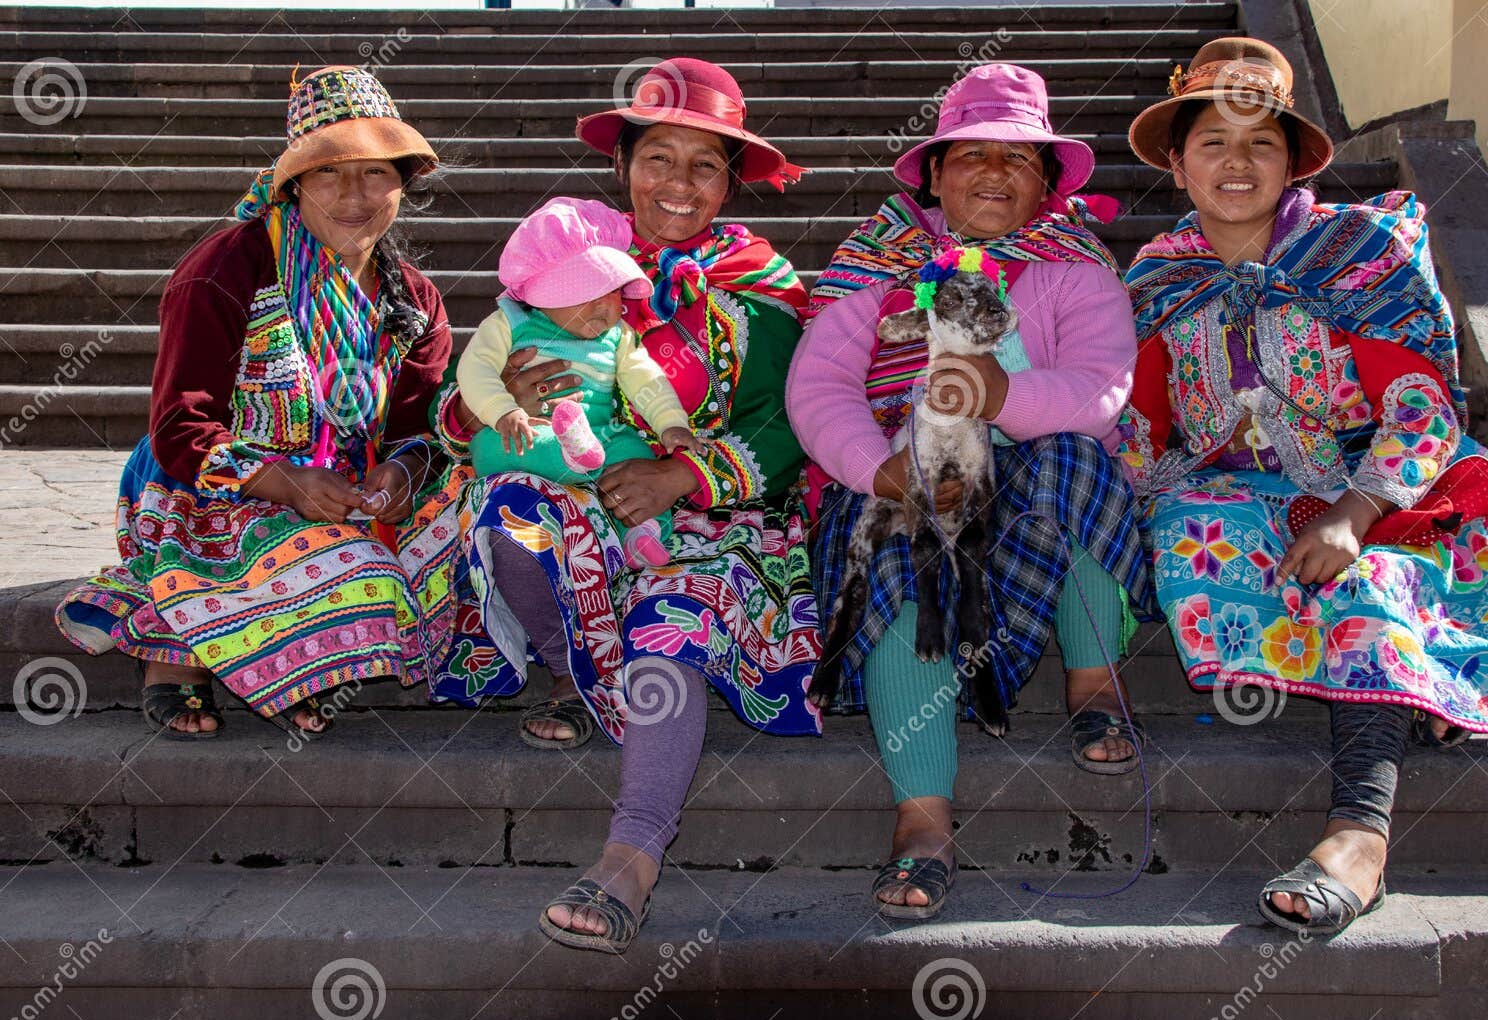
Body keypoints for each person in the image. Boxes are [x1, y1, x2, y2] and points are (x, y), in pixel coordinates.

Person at [1119, 38, 1488, 935]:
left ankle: (1359, 835)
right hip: (1237, 491)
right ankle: (1419, 692)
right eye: (1213, 142)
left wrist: (1355, 512)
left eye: (1260, 142)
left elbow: (1421, 406)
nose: (1237, 161)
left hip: (1386, 482)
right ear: (1177, 164)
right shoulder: (1159, 277)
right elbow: (1141, 424)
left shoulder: (1356, 253)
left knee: (1365, 576)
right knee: (1183, 530)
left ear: (1294, 160)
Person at [430, 59, 815, 953]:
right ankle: (572, 668)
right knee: (513, 512)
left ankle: (629, 861)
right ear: (622, 166)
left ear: (731, 180)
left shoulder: (761, 286)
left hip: (715, 515)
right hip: (576, 493)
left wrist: (682, 478)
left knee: (673, 613)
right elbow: (459, 405)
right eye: (657, 159)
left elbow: (791, 425)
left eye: (705, 165)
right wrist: (501, 398)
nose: (679, 184)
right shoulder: (559, 262)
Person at [791, 63, 1150, 919]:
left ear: (1047, 182)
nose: (993, 171)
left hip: (1025, 476)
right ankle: (923, 818)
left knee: (1078, 461)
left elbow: (1101, 385)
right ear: (934, 174)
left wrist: (1000, 394)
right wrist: (878, 468)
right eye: (970, 155)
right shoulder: (879, 260)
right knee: (892, 545)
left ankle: (1095, 686)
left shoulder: (1075, 265)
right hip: (899, 468)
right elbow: (819, 385)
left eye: (1017, 157)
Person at [55, 66, 458, 740]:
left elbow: (419, 428)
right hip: (214, 485)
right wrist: (285, 481)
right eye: (329, 173)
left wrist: (401, 472)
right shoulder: (225, 269)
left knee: (464, 540)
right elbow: (180, 426)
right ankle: (182, 653)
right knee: (361, 572)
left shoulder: (413, 299)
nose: (354, 195)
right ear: (293, 182)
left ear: (402, 181)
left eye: (375, 172)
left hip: (345, 494)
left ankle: (288, 658)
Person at [459, 195, 704, 568]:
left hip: (599, 436)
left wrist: (670, 423)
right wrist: (502, 410)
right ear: (543, 291)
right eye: (586, 292)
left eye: (613, 291)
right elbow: (473, 369)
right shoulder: (511, 322)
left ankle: (643, 532)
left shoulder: (618, 335)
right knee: (492, 448)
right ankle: (569, 458)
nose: (604, 306)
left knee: (634, 454)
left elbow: (646, 380)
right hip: (529, 430)